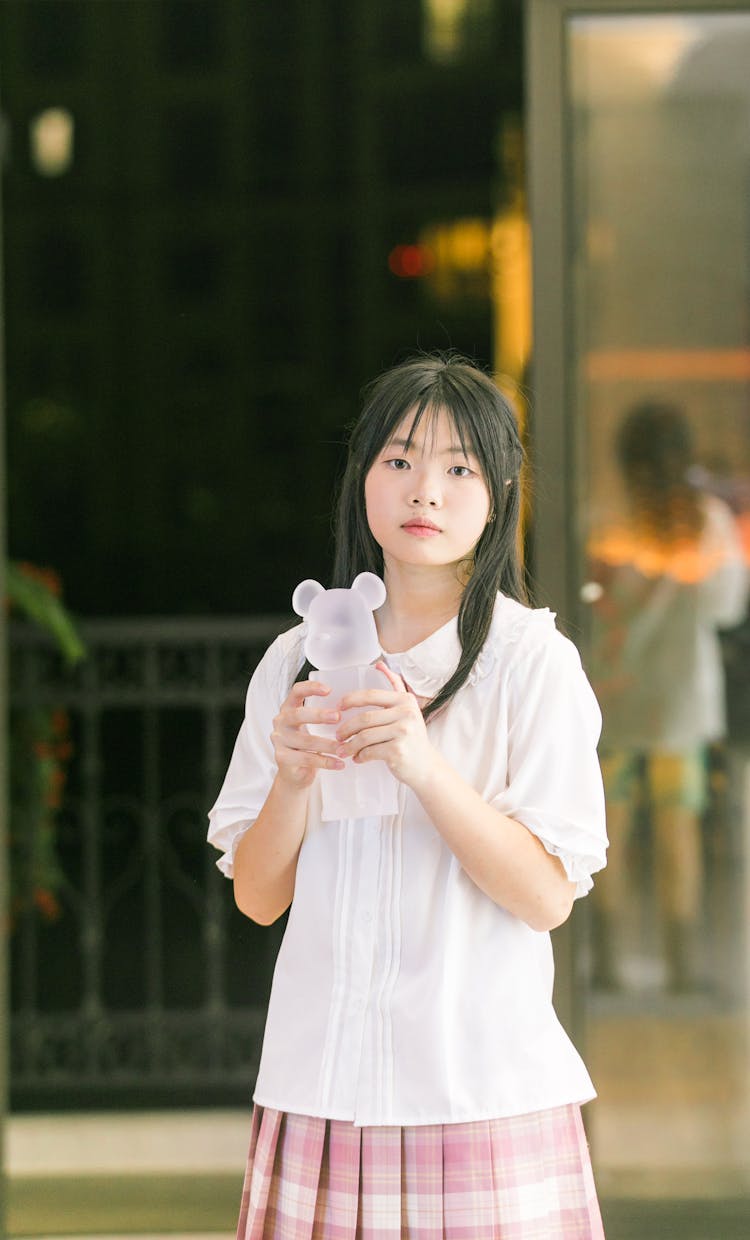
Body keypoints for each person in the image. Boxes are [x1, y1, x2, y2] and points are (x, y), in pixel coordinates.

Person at [208, 354, 608, 1239]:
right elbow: (258, 896)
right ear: (363, 482)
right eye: (399, 460)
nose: (425, 489)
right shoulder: (296, 661)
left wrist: (424, 767)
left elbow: (546, 897)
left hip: (475, 1093)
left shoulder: (529, 661)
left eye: (459, 467)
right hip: (320, 1087)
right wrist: (293, 776)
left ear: (499, 493)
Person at [587, 401, 748, 993]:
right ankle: (682, 966)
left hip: (614, 698)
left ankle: (606, 963)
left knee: (609, 833)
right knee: (679, 832)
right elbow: (725, 608)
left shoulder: (608, 514)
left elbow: (590, 606)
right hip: (682, 702)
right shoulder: (706, 521)